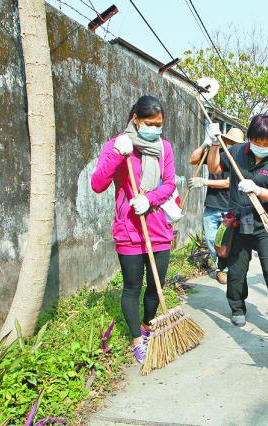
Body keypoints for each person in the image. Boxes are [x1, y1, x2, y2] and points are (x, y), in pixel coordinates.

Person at [91, 95, 176, 363]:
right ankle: (137, 340)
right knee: (132, 286)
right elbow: (97, 184)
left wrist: (149, 199)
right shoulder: (118, 144)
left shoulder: (164, 148)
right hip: (129, 229)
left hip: (158, 228)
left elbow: (170, 183)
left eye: (159, 124)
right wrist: (118, 154)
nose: (155, 128)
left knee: (156, 284)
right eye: (149, 123)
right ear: (136, 120)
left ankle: (147, 325)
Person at [206, 114, 268, 347]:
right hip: (238, 221)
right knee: (236, 271)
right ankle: (237, 308)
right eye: (258, 141)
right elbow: (214, 167)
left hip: (267, 224)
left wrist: (258, 190)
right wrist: (215, 144)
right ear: (250, 138)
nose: (262, 147)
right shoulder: (237, 152)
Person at [188, 127, 245, 285]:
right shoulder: (215, 154)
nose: (230, 145)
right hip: (212, 205)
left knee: (226, 241)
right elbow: (193, 160)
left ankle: (224, 269)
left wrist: (205, 182)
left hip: (229, 207)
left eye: (234, 143)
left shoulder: (239, 161)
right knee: (211, 240)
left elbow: (229, 183)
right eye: (229, 141)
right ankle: (222, 266)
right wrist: (204, 145)